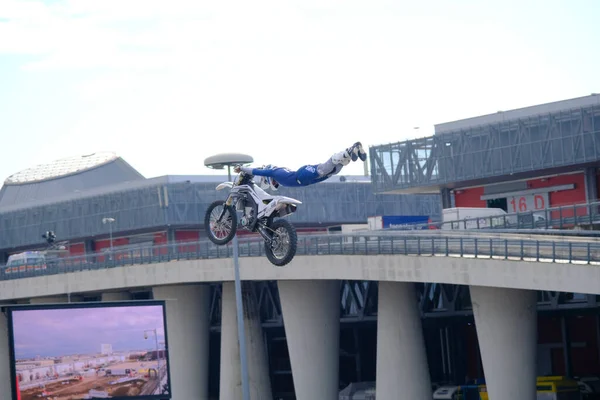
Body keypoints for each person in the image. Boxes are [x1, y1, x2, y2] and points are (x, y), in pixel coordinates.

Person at [233, 142, 367, 189]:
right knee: (332, 171)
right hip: (306, 180)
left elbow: (257, 171)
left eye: (273, 183)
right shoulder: (280, 173)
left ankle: (348, 151)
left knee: (323, 169)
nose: (275, 184)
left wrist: (242, 169)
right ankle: (352, 152)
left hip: (302, 175)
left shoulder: (274, 172)